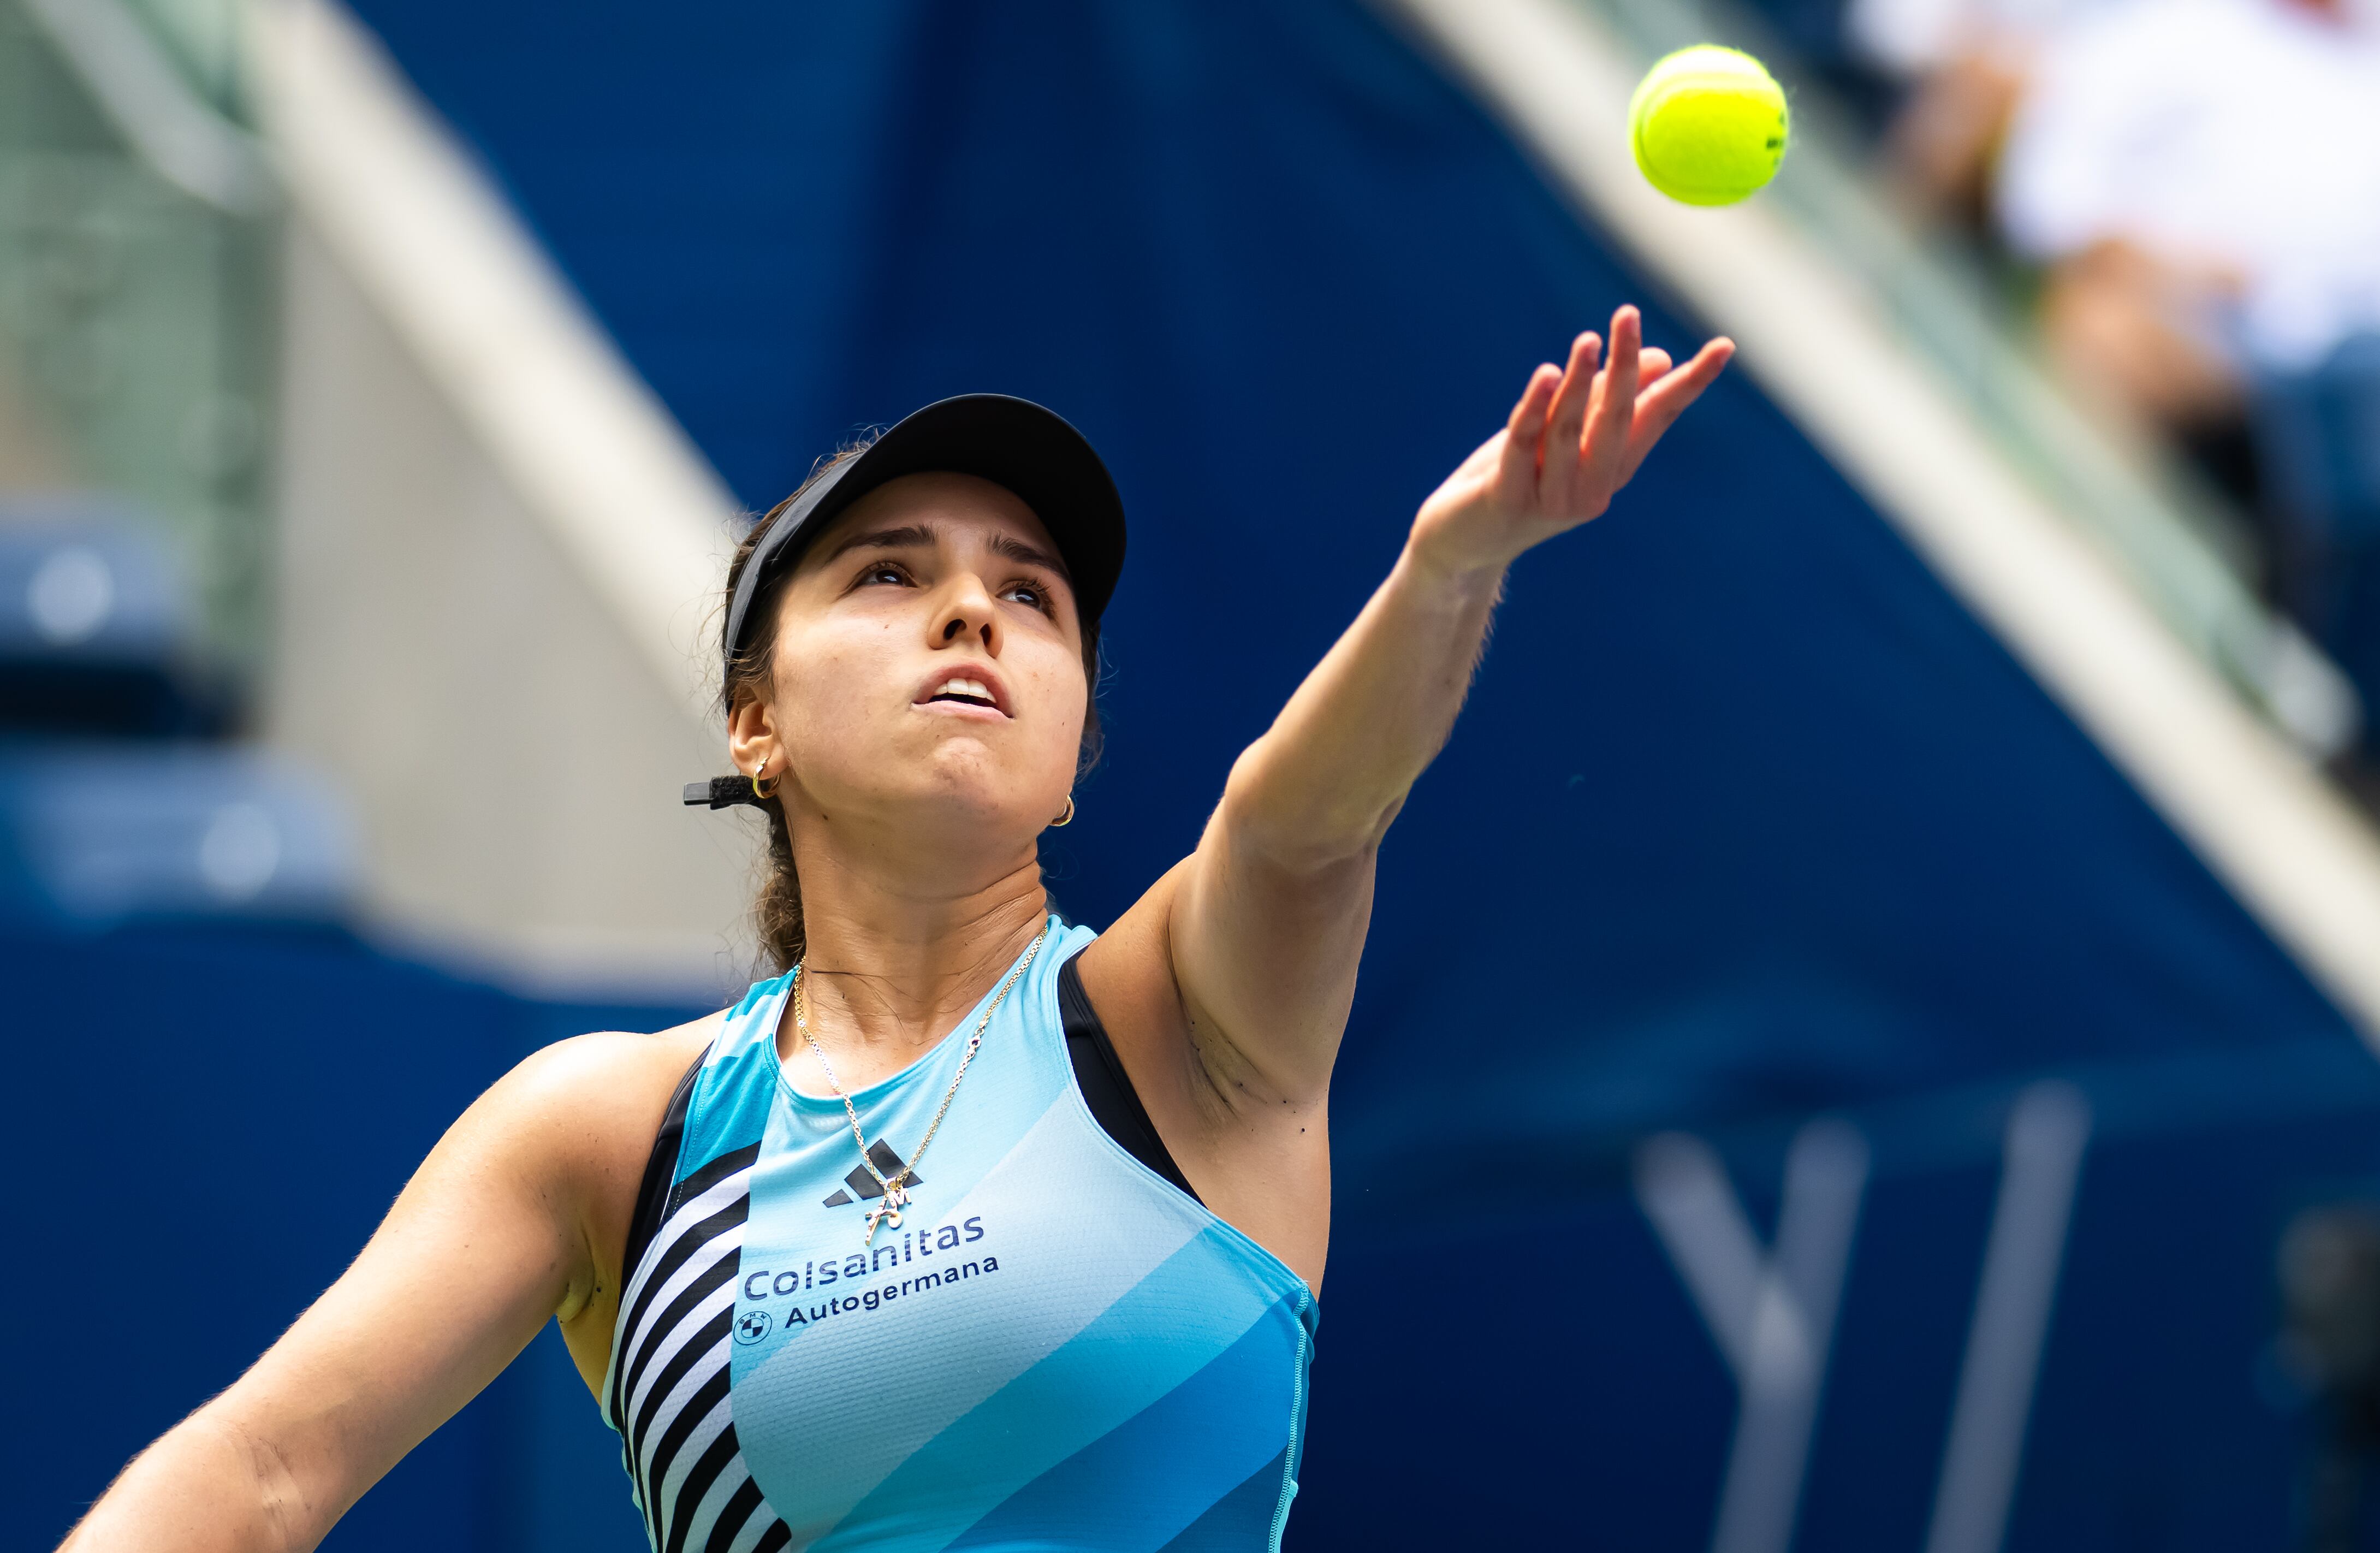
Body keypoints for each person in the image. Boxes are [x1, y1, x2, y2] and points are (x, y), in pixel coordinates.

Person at [56, 306, 1731, 1553]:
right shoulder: (612, 1135)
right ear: (757, 722)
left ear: (1074, 749)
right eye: (885, 572)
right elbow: (263, 1473)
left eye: (1033, 594)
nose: (970, 609)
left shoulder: (1187, 1033)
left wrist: (1453, 566)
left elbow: (1304, 818)